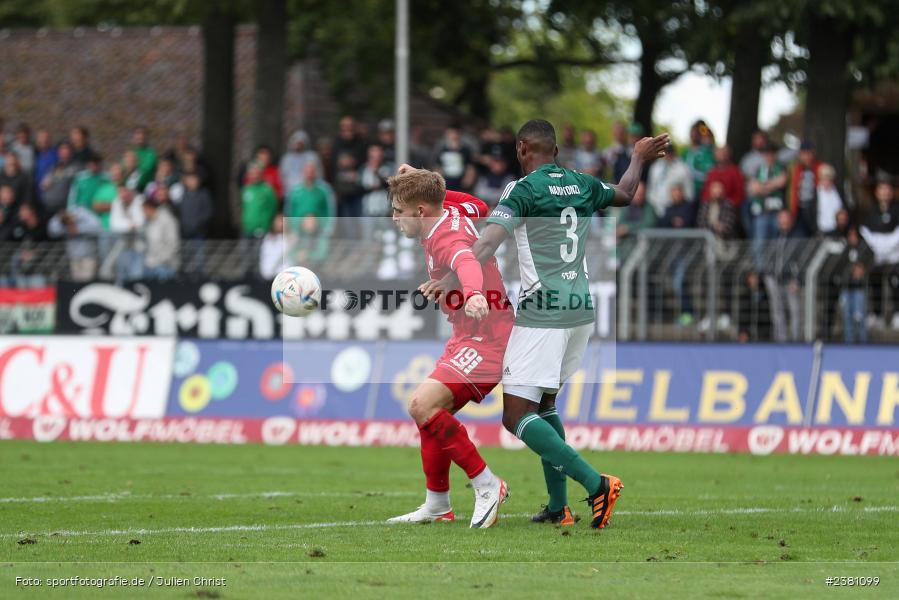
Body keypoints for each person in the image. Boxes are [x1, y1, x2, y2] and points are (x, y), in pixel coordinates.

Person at [427, 119, 667, 528]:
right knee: (543, 404)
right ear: (554, 150)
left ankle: (596, 485)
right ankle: (559, 508)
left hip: (544, 308)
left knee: (515, 413)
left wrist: (450, 279)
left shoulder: (524, 189)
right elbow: (626, 192)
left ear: (522, 149)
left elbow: (487, 241)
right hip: (580, 308)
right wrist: (638, 158)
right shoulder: (581, 182)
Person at [386, 167, 513, 528]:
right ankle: (438, 505)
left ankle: (487, 483)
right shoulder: (453, 211)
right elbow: (476, 203)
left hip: (487, 336)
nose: (395, 218)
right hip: (466, 334)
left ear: (421, 211)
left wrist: (472, 293)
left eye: (399, 211)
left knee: (421, 404)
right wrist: (424, 178)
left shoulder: (445, 238)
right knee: (429, 415)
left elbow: (466, 260)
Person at [787, 141, 821, 236]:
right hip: (800, 209)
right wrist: (792, 212)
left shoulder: (819, 167)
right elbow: (792, 192)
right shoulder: (796, 169)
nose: (805, 157)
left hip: (814, 209)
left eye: (808, 153)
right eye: (803, 154)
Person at [141, 198, 180, 280]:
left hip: (166, 266)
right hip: (149, 264)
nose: (142, 213)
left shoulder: (168, 220)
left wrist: (160, 260)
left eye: (144, 210)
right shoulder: (147, 222)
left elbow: (173, 244)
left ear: (150, 208)